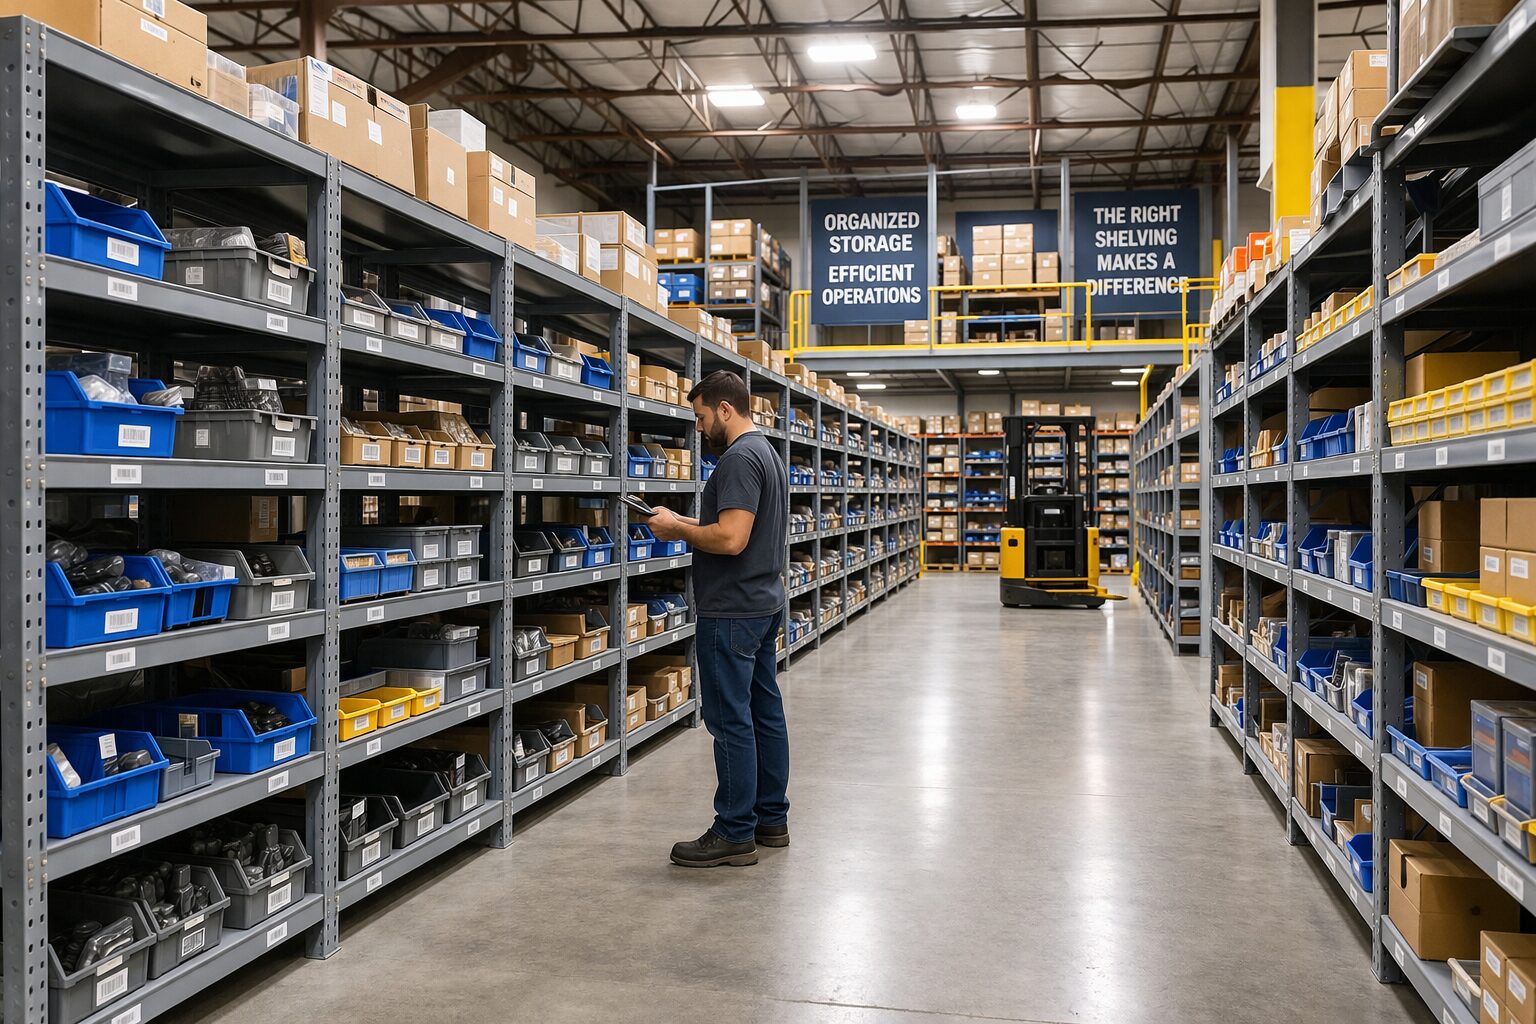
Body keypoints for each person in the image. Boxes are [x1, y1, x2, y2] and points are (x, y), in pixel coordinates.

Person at [646, 369, 789, 868]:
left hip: (732, 610)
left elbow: (730, 539)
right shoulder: (766, 452)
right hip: (762, 603)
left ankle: (734, 830)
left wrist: (680, 533)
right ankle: (771, 818)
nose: (700, 425)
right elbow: (733, 527)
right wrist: (679, 521)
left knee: (730, 722)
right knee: (763, 712)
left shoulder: (738, 459)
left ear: (725, 409)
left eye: (702, 415)